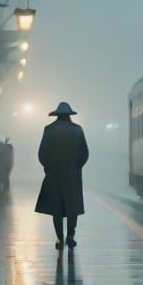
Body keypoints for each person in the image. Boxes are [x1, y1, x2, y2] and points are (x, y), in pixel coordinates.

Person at [35, 101, 89, 250]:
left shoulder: (49, 129)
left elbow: (42, 153)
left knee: (56, 208)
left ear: (57, 115)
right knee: (73, 206)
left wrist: (48, 167)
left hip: (54, 174)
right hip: (72, 175)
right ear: (69, 115)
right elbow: (84, 153)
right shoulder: (77, 130)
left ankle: (59, 237)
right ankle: (70, 236)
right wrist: (77, 167)